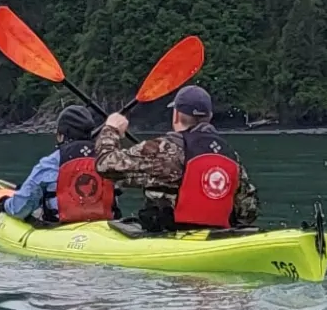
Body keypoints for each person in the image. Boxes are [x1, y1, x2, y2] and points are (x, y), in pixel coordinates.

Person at [94, 85, 258, 232]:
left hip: (169, 234)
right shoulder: (230, 155)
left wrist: (111, 130)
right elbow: (247, 211)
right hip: (217, 236)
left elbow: (105, 165)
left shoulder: (163, 150)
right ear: (210, 116)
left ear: (176, 116)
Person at [0, 104, 117, 224]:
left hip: (61, 229)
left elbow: (19, 210)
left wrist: (4, 204)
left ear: (61, 136)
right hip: (104, 226)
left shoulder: (50, 162)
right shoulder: (108, 159)